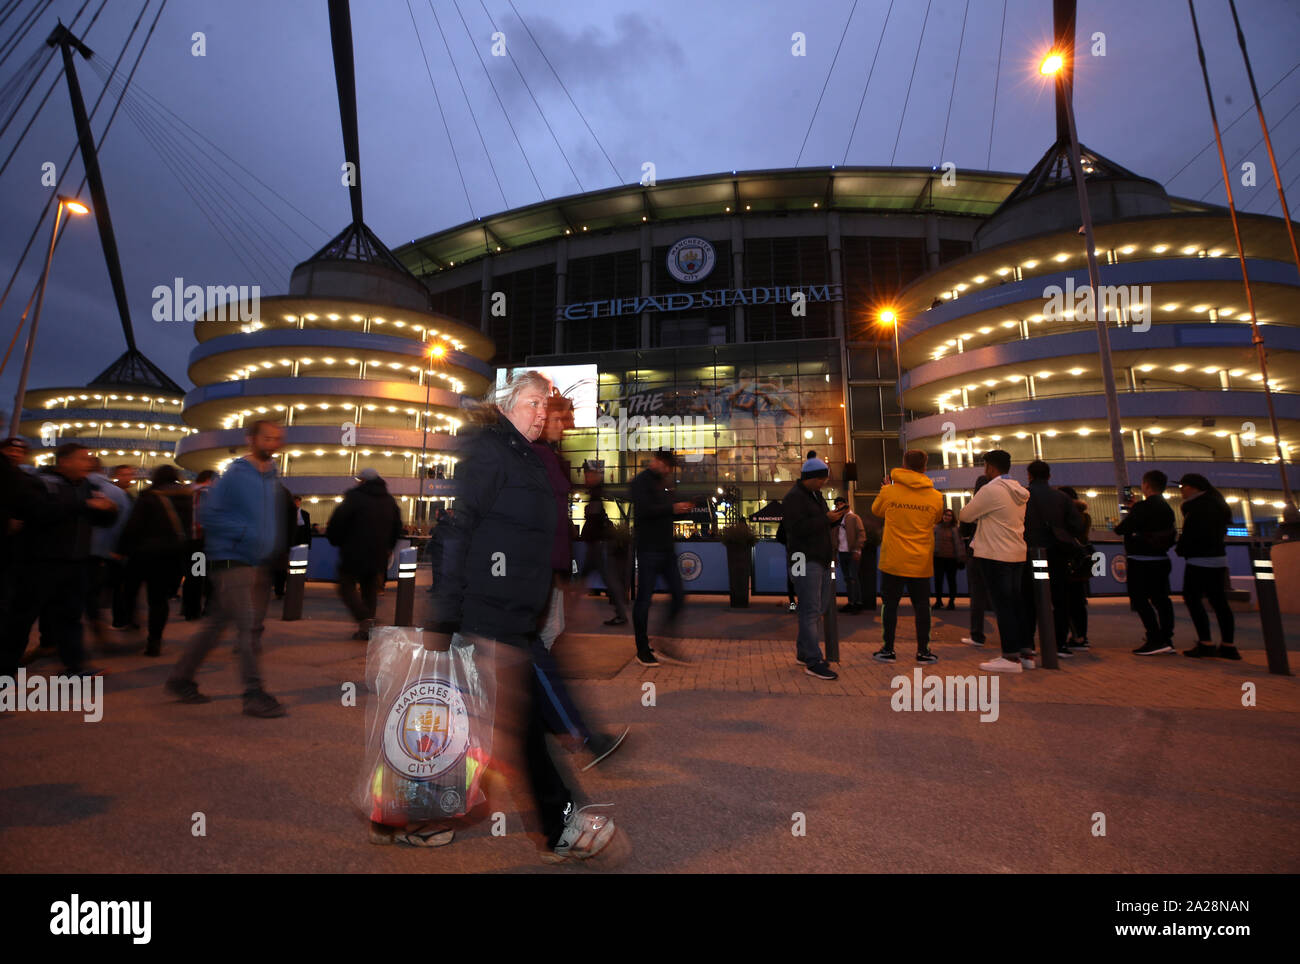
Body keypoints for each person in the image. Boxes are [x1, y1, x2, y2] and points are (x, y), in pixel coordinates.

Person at [428, 370, 618, 862]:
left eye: (545, 403)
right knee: (517, 724)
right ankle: (560, 828)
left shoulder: (526, 455)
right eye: (533, 402)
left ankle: (423, 815)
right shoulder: (491, 453)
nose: (542, 412)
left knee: (495, 724)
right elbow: (455, 533)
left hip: (515, 614)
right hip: (486, 612)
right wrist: (444, 617)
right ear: (507, 404)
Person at [164, 420, 288, 717]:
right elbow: (209, 513)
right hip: (231, 559)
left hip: (255, 561)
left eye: (277, 438)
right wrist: (245, 533)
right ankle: (253, 693)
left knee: (216, 624)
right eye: (266, 438)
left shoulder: (271, 477)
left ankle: (180, 679)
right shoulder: (235, 473)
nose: (272, 443)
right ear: (251, 439)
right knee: (247, 627)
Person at [1, 442, 118, 678]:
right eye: (83, 459)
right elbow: (38, 512)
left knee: (70, 618)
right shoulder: (40, 482)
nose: (89, 463)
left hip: (75, 564)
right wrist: (84, 505)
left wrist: (109, 511)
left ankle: (75, 668)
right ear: (65, 461)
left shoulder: (86, 486)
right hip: (40, 564)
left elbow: (98, 520)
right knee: (21, 620)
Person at [958, 449, 1032, 673]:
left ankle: (1010, 658)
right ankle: (1026, 653)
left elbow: (965, 515)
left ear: (990, 467)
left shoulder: (991, 490)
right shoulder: (1019, 490)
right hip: (1017, 553)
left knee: (1003, 606)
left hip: (995, 554)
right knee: (1017, 604)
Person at [871, 450, 944, 664]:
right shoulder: (936, 496)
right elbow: (937, 518)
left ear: (903, 465)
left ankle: (888, 649)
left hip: (893, 558)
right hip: (920, 561)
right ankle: (923, 651)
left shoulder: (890, 492)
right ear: (924, 467)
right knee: (922, 607)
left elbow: (876, 511)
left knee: (890, 605)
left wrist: (886, 491)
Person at [779, 453, 844, 680]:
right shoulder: (794, 498)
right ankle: (812, 661)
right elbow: (795, 529)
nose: (824, 482)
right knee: (810, 610)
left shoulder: (814, 495)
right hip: (804, 559)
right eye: (821, 479)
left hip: (819, 558)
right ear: (812, 477)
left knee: (815, 608)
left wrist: (830, 519)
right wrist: (826, 519)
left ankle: (804, 652)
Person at [118, 464, 193, 657]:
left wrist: (121, 549)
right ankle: (155, 641)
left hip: (144, 553)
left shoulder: (149, 497)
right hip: (172, 554)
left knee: (129, 589)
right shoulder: (186, 497)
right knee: (158, 599)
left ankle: (132, 622)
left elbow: (134, 526)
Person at [630, 449, 693, 667]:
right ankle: (642, 649)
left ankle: (663, 642)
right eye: (666, 466)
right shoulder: (640, 482)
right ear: (656, 461)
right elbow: (646, 510)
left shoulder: (663, 483)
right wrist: (671, 507)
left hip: (666, 549)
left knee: (678, 595)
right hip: (648, 549)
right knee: (644, 600)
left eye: (669, 468)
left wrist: (681, 510)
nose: (667, 471)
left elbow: (664, 512)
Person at [326, 467, 402, 640]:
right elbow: (397, 527)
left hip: (354, 551)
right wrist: (389, 547)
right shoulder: (389, 500)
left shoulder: (354, 497)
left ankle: (365, 618)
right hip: (378, 554)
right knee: (369, 589)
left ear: (363, 481)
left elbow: (339, 521)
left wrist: (335, 539)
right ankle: (367, 630)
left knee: (345, 586)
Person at [1022, 460, 1086, 659]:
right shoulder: (1062, 498)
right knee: (1059, 599)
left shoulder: (1023, 497)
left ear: (1029, 475)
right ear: (1049, 476)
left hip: (1032, 554)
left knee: (1030, 598)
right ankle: (1059, 643)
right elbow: (1077, 526)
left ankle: (1028, 642)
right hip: (1057, 555)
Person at [1173, 473, 1238, 660]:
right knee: (1219, 602)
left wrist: (1182, 548)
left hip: (1199, 560)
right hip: (1219, 559)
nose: (1181, 491)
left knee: (1192, 599)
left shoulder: (1198, 507)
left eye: (1182, 487)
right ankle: (1228, 645)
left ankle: (1206, 643)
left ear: (1194, 487)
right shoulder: (1217, 504)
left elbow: (1192, 534)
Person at [1115, 469, 1178, 656]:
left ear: (1146, 485)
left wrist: (1132, 511)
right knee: (1162, 600)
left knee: (1140, 600)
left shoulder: (1143, 507)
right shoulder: (1167, 509)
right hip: (1161, 559)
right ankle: (1166, 638)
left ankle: (1154, 638)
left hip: (1140, 561)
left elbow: (1122, 529)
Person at [578, 461, 630, 626]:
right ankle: (620, 613)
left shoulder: (595, 494)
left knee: (607, 580)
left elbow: (594, 520)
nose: (586, 478)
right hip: (598, 544)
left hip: (598, 545)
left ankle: (566, 610)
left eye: (588, 475)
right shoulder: (596, 492)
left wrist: (587, 533)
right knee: (604, 580)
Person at [959, 475, 996, 648]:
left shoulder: (976, 504)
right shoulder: (1003, 499)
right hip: (1001, 551)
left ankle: (977, 635)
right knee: (1005, 595)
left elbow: (963, 526)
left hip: (978, 550)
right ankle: (1014, 640)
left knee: (977, 595)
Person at [1058, 486, 1093, 650]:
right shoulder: (1084, 516)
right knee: (1078, 601)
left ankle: (1074, 637)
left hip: (1068, 562)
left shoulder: (1068, 517)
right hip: (1080, 565)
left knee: (1066, 601)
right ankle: (1081, 636)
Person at [182, 469, 217, 620]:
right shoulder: (206, 493)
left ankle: (190, 610)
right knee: (208, 576)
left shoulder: (187, 493)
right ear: (210, 479)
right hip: (205, 541)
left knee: (194, 575)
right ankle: (207, 609)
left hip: (191, 541)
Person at [833, 495, 866, 614]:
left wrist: (857, 549)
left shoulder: (854, 517)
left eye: (840, 504)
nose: (838, 506)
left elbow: (861, 534)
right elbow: (835, 537)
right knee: (848, 578)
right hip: (842, 552)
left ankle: (858, 603)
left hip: (852, 552)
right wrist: (835, 554)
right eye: (837, 505)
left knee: (853, 578)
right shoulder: (838, 519)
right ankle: (851, 602)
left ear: (846, 504)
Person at [932, 507, 963, 610]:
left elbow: (959, 544)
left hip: (951, 559)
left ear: (952, 517)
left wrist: (961, 558)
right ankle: (938, 600)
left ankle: (951, 601)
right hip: (938, 558)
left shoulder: (955, 529)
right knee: (938, 580)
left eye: (949, 515)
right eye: (945, 515)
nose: (947, 517)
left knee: (951, 581)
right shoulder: (936, 528)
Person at [775, 518, 797, 611]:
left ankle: (793, 605)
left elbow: (779, 536)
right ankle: (802, 604)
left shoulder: (787, 519)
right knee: (801, 579)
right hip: (801, 551)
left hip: (791, 551)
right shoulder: (803, 516)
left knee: (791, 580)